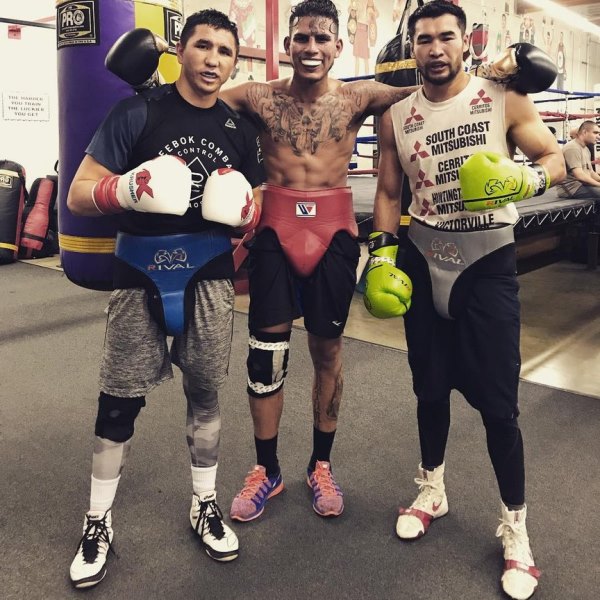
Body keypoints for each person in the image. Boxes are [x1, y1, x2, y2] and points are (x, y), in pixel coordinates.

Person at [366, 2, 565, 599]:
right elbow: (388, 191)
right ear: (412, 46)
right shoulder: (397, 116)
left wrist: (526, 180)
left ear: (464, 43)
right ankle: (432, 489)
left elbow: (553, 159)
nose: (435, 48)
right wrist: (381, 255)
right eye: (424, 38)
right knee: (429, 388)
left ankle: (516, 528)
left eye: (446, 37)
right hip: (423, 257)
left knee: (499, 406)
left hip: (487, 265)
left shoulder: (502, 98)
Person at [66, 9, 265, 588]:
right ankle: (97, 520)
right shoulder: (137, 113)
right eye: (203, 46)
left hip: (208, 275)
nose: (212, 60)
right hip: (139, 274)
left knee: (205, 393)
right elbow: (77, 195)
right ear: (181, 49)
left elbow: (254, 204)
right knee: (118, 401)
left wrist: (247, 212)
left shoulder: (237, 130)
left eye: (224, 52)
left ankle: (204, 504)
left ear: (234, 62)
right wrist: (125, 188)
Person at [217, 0, 424, 522]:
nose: (311, 48)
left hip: (332, 234)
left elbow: (432, 88)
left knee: (327, 351)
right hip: (274, 231)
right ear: (288, 44)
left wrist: (499, 74)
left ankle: (320, 465)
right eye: (302, 38)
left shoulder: (360, 97)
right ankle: (267, 470)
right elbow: (195, 97)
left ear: (338, 45)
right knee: (266, 356)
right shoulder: (256, 96)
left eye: (322, 38)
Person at [558, 120, 600, 199]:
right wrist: (598, 184)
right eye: (595, 133)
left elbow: (591, 172)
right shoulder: (572, 148)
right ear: (584, 132)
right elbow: (579, 175)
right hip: (572, 188)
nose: (598, 137)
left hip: (582, 185)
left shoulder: (585, 149)